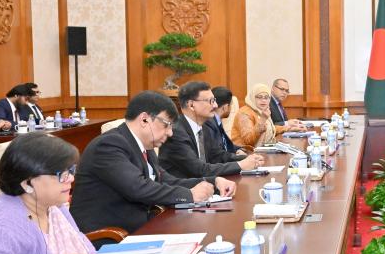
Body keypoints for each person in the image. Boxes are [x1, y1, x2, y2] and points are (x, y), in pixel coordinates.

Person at [70, 91, 233, 237]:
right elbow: (138, 188)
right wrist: (190, 195)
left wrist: (213, 182)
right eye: (166, 125)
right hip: (111, 237)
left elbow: (166, 181)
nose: (170, 133)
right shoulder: (108, 145)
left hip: (141, 228)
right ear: (144, 119)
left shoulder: (144, 145)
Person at [159, 81, 263, 179]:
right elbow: (199, 170)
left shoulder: (204, 126)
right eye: (211, 101)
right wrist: (240, 165)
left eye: (214, 100)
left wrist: (248, 158)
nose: (216, 105)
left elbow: (217, 156)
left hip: (205, 184)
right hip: (183, 188)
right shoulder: (176, 132)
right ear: (191, 105)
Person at [232, 83, 277, 150]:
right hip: (245, 152)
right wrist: (262, 120)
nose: (263, 100)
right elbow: (248, 141)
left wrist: (287, 128)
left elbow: (269, 129)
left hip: (262, 150)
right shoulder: (244, 113)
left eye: (266, 97)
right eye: (259, 97)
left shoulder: (261, 110)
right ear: (252, 97)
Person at [210, 86, 245, 156]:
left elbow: (227, 145)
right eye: (231, 105)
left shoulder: (217, 121)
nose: (231, 108)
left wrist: (241, 149)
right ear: (225, 107)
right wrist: (240, 158)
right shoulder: (209, 125)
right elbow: (218, 154)